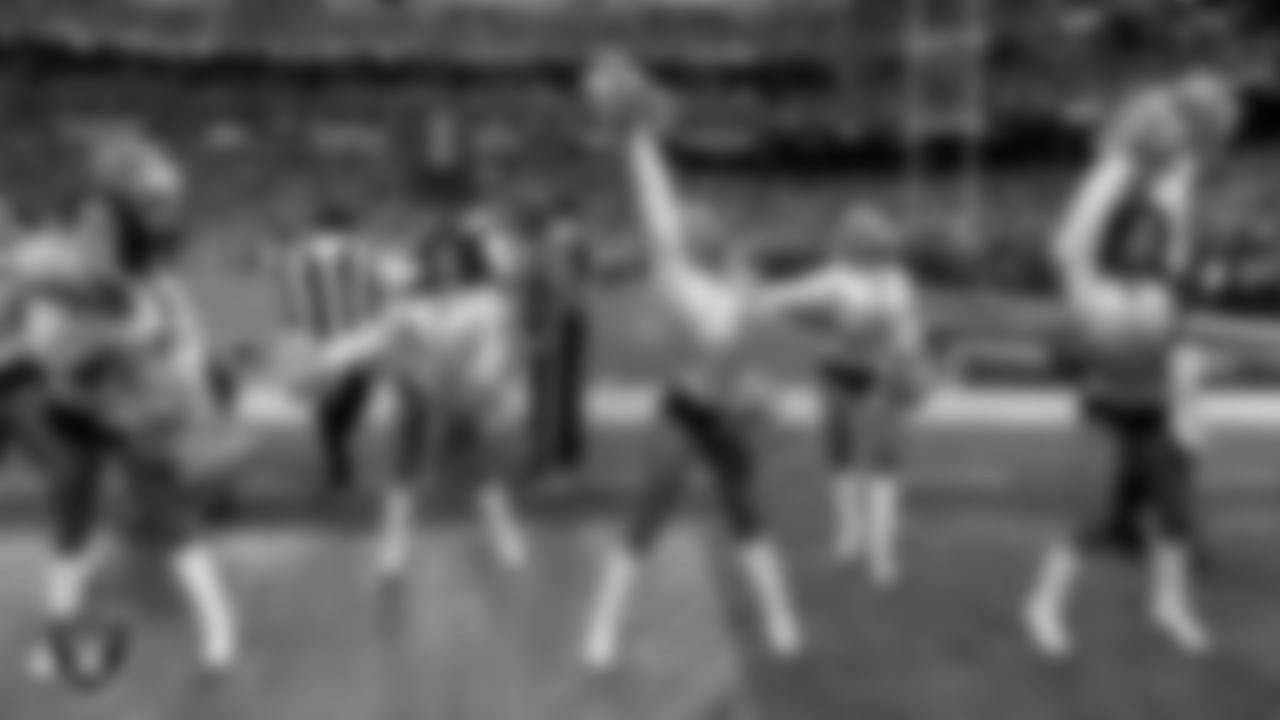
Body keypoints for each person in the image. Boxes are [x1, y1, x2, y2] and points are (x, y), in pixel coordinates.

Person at [578, 50, 803, 671]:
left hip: (729, 414)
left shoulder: (736, 282)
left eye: (696, 223)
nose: (684, 225)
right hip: (686, 410)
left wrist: (763, 399)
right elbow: (657, 205)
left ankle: (781, 617)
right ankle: (602, 627)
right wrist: (638, 140)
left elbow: (752, 345)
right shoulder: (677, 275)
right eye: (685, 223)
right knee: (648, 513)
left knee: (747, 517)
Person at [17, 131, 245, 685]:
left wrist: (175, 370)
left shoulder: (154, 281)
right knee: (69, 522)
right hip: (72, 404)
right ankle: (59, 639)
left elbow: (181, 345)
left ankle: (219, 628)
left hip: (135, 409)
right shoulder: (48, 262)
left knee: (169, 518)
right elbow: (40, 335)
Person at [1023, 71, 1238, 659]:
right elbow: (1070, 249)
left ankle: (1170, 606)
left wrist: (1188, 384)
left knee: (1173, 512)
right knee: (1089, 512)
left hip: (1156, 395)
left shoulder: (1167, 235)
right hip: (1108, 397)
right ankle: (1044, 604)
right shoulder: (1116, 195)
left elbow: (1175, 265)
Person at [273, 207, 529, 584]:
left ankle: (505, 537)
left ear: (466, 260)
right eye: (437, 259)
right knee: (405, 469)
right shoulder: (409, 305)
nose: (445, 267)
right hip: (419, 392)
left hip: (463, 395)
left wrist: (483, 386)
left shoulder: (488, 303)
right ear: (427, 262)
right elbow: (370, 338)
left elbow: (497, 351)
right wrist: (324, 359)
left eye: (453, 259)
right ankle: (394, 547)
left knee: (478, 468)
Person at [759, 206, 931, 586]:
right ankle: (850, 534)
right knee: (840, 453)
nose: (870, 248)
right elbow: (780, 298)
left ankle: (881, 552)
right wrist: (767, 303)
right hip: (837, 373)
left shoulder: (898, 280)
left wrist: (912, 363)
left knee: (885, 458)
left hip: (881, 376)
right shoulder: (835, 278)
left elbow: (910, 327)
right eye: (862, 241)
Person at [273, 203, 412, 501]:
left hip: (322, 338)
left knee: (331, 400)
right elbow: (389, 289)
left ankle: (336, 448)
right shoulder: (360, 254)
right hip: (351, 338)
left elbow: (287, 300)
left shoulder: (299, 255)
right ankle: (338, 452)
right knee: (353, 394)